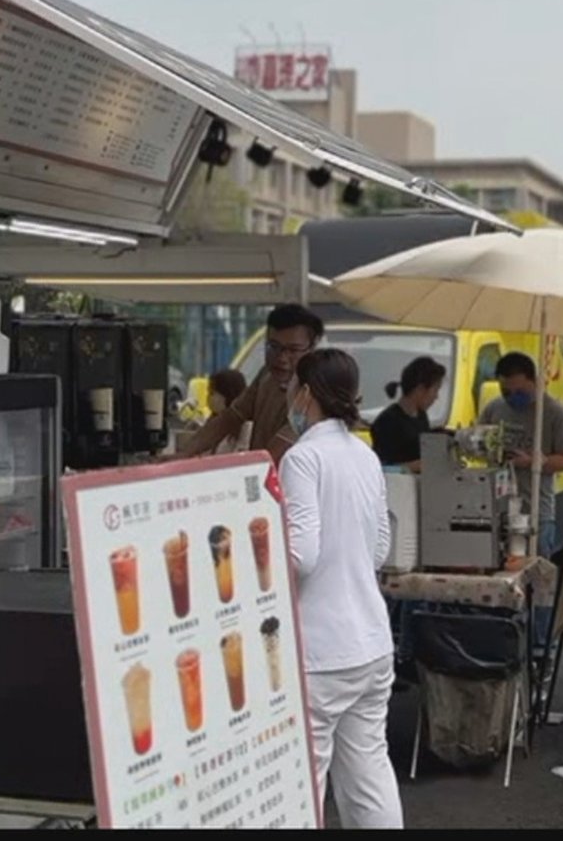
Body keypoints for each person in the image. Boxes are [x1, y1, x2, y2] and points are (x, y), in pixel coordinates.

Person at [279, 348, 403, 829]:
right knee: (369, 773)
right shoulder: (365, 454)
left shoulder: (303, 457)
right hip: (371, 642)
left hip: (320, 651)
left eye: (293, 384)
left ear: (306, 392)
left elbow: (301, 555)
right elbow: (380, 548)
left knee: (303, 782)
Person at [177, 304, 323, 463]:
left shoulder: (315, 394)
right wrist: (183, 455)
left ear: (312, 346)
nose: (282, 358)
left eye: (293, 350)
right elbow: (230, 417)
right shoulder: (267, 375)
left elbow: (275, 454)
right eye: (274, 347)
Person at [477, 353, 563, 560]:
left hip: (535, 513)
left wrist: (536, 462)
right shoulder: (494, 408)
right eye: (506, 392)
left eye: (520, 391)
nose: (513, 396)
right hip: (497, 509)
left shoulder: (554, 413)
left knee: (536, 574)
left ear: (534, 382)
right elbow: (480, 442)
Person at [370, 356, 447, 471]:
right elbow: (381, 468)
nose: (436, 397)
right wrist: (415, 466)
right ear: (420, 389)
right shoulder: (387, 422)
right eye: (435, 390)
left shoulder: (421, 417)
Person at [205, 368, 248, 454]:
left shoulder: (245, 429)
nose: (208, 398)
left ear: (227, 395)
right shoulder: (213, 422)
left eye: (212, 393)